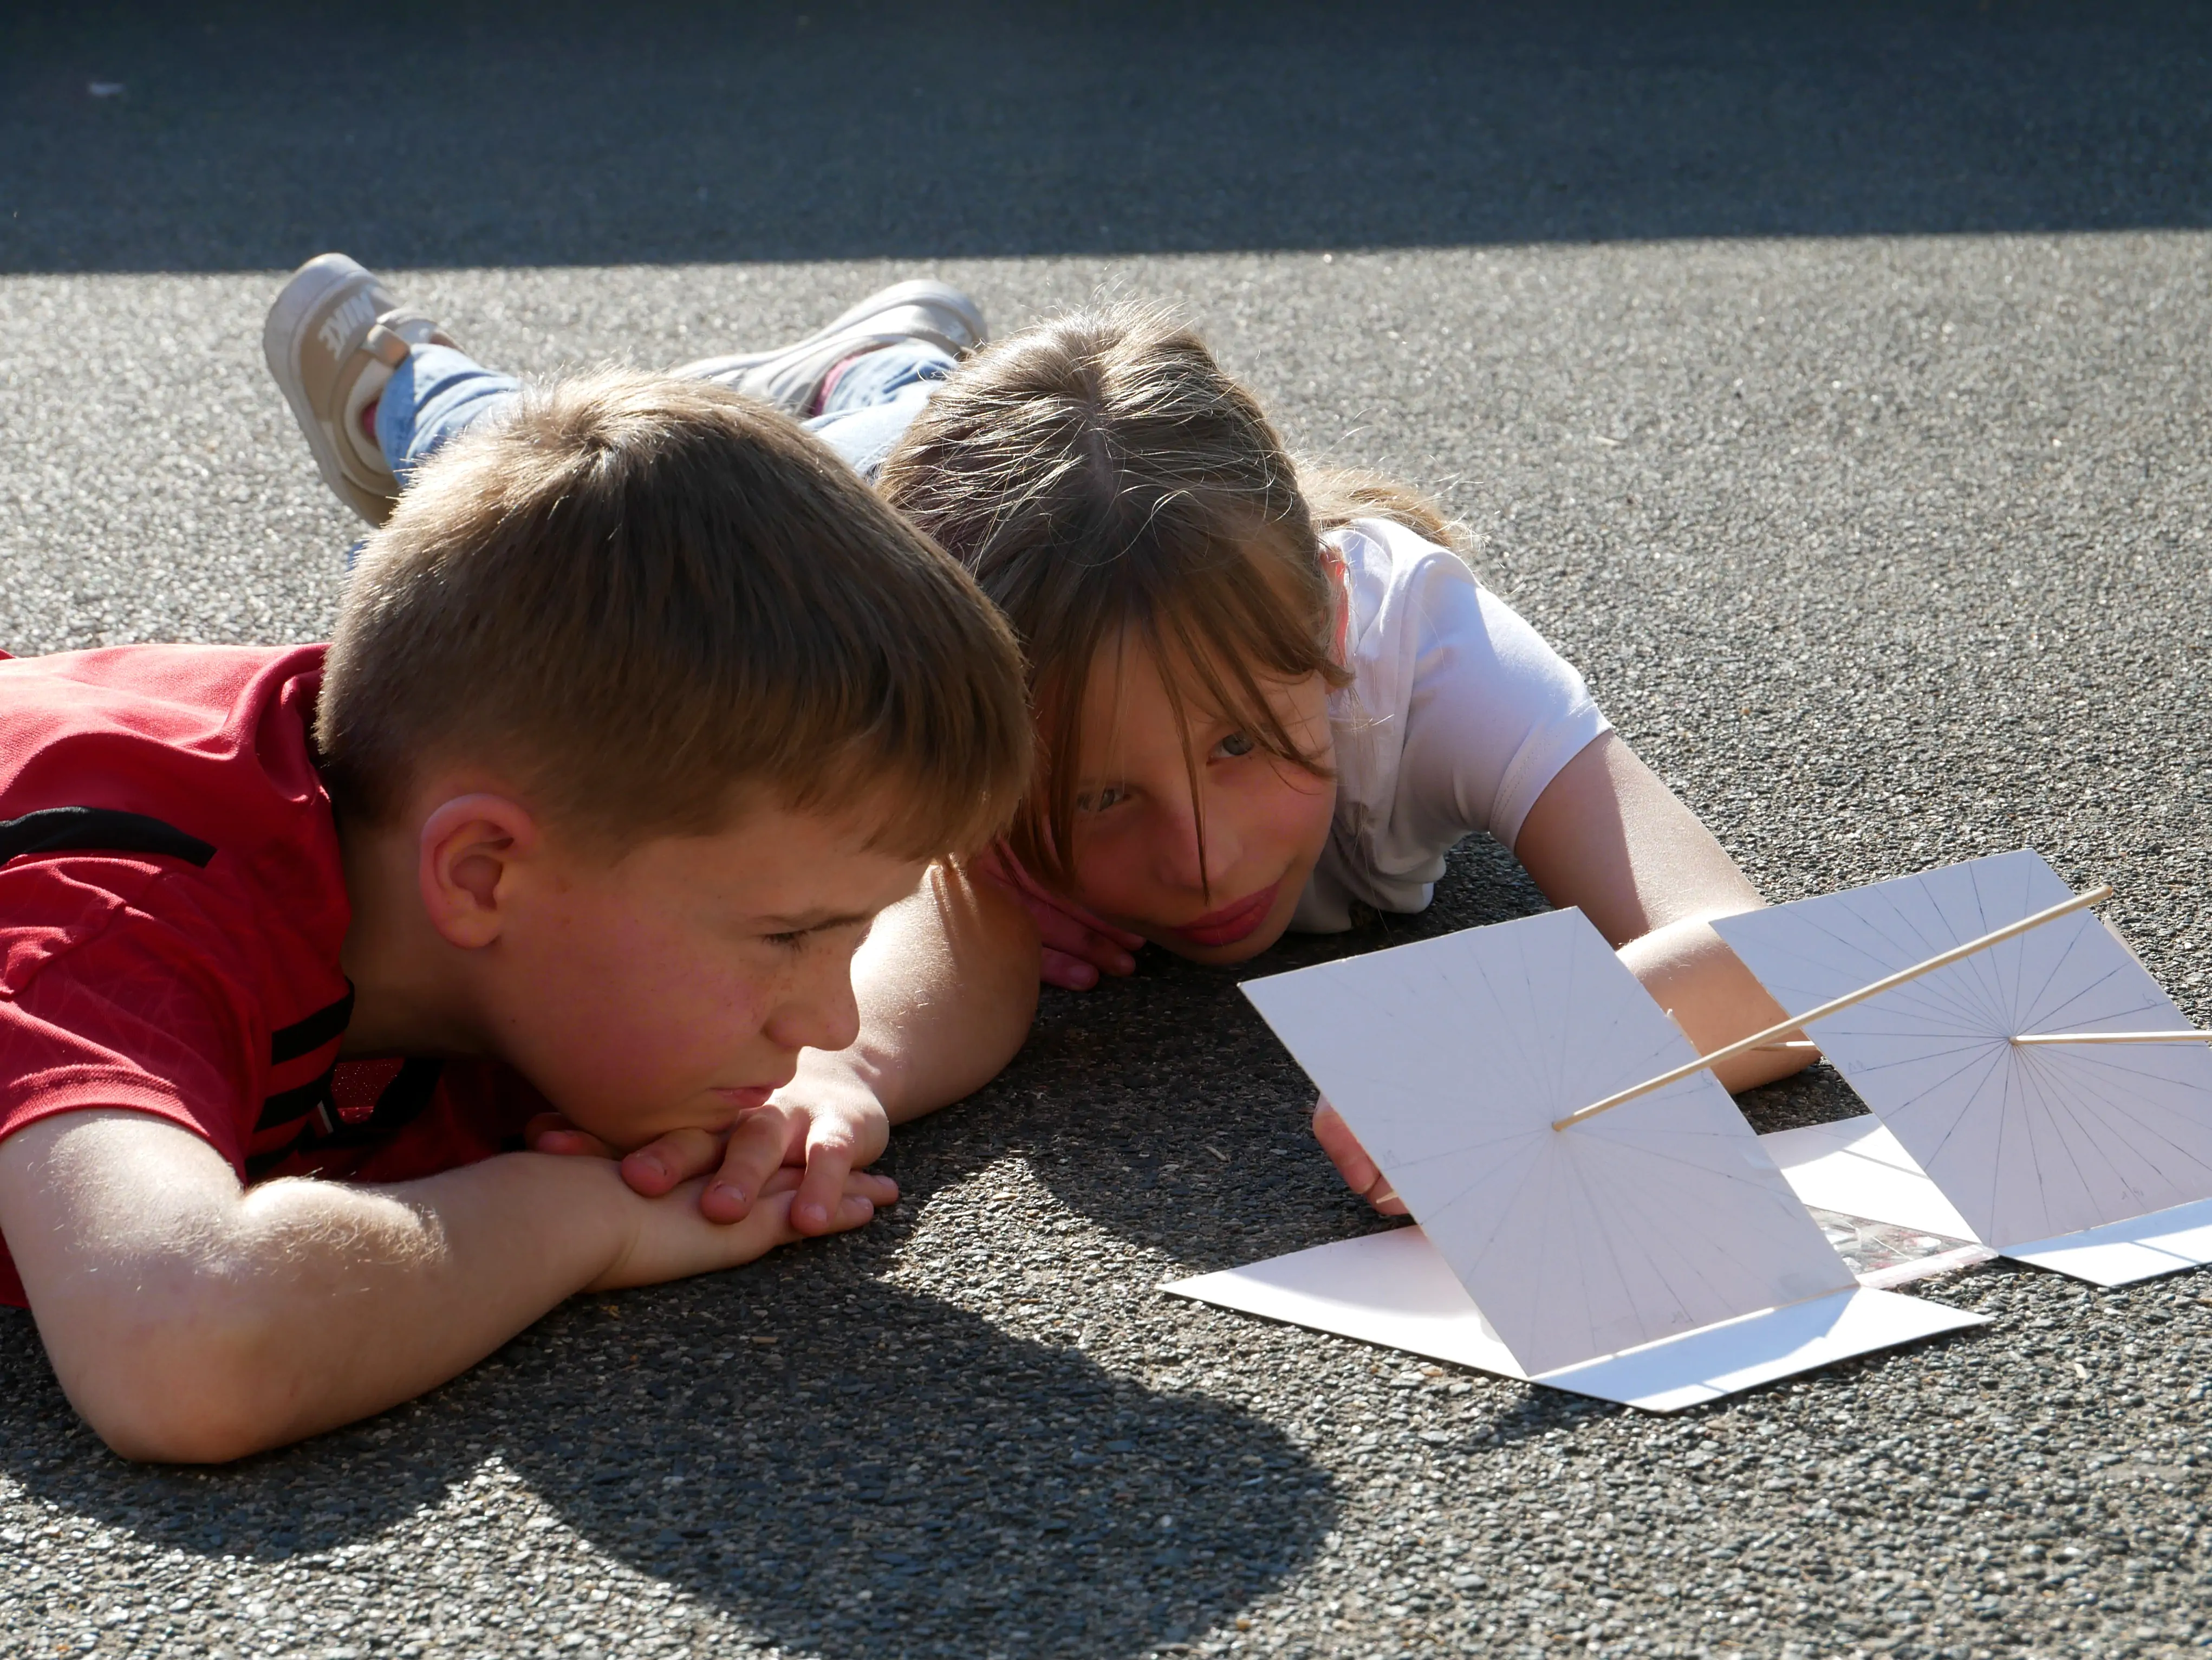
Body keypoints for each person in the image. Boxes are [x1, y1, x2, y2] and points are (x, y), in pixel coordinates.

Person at [262, 263, 1808, 1222]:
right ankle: (419, 379)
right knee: (541, 481)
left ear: (1327, 628)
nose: (1196, 857)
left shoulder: (1411, 630)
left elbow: (1764, 955)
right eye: (1096, 797)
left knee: (910, 407)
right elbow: (945, 969)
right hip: (865, 502)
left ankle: (878, 365)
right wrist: (838, 1092)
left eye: (1249, 745)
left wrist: (1547, 1065)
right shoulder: (927, 690)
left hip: (955, 473)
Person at [0, 359, 1035, 1462]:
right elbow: (186, 1346)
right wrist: (578, 1216)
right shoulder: (112, 909)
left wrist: (843, 1082)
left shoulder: (516, 809)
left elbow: (973, 901)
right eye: (786, 936)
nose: (827, 1012)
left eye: (850, 932)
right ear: (482, 875)